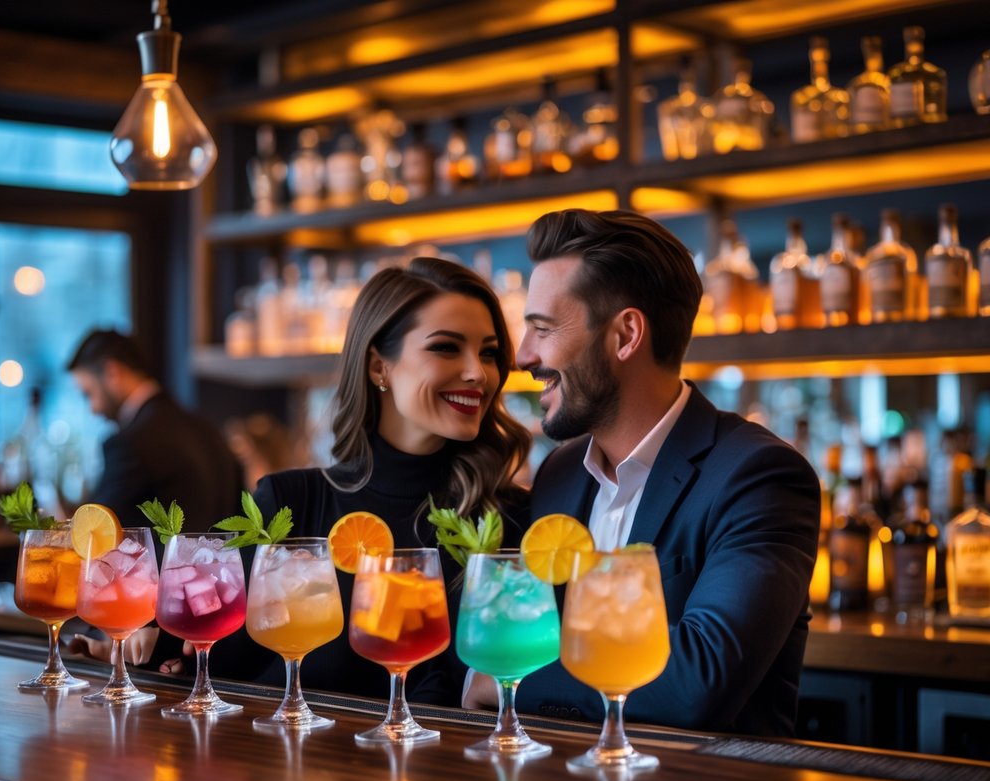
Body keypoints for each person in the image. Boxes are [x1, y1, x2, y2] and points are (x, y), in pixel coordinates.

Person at [467, 209, 820, 737]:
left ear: (626, 335)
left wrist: (507, 677)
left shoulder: (760, 477)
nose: (523, 356)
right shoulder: (559, 473)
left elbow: (699, 679)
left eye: (542, 328)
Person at [195, 257, 532, 703]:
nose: (478, 372)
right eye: (446, 348)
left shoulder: (509, 520)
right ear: (379, 367)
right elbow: (211, 656)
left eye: (488, 353)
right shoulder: (292, 503)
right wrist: (152, 640)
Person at [67, 329, 244, 533]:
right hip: (226, 554)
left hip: (166, 555)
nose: (93, 409)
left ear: (112, 372)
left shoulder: (130, 444)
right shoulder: (205, 428)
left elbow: (92, 528)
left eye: (88, 394)